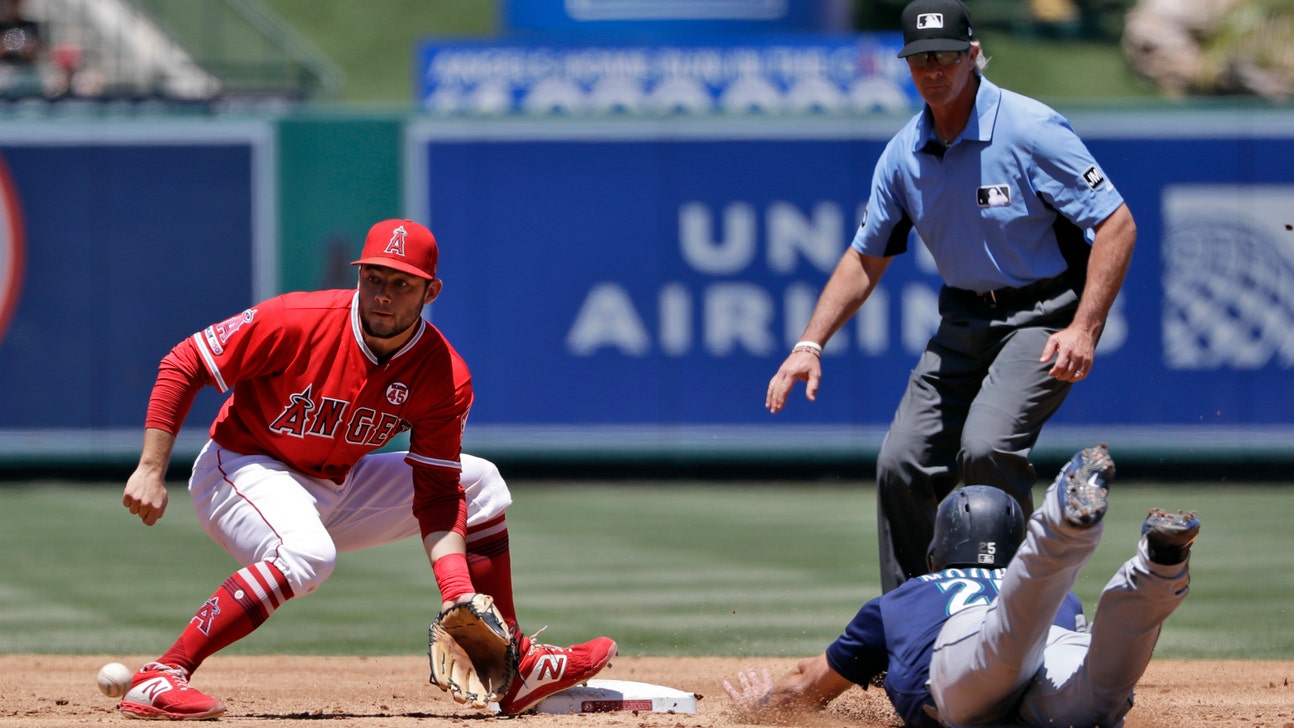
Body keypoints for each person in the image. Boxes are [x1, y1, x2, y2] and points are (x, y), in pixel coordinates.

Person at [119, 218, 616, 720]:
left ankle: (512, 667)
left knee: (479, 479)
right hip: (242, 467)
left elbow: (438, 492)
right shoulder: (297, 319)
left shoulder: (442, 373)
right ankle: (162, 674)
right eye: (373, 278)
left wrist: (458, 594)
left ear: (430, 291)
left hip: (336, 483)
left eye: (401, 283)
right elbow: (185, 362)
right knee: (309, 556)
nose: (383, 294)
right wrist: (150, 468)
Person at [765, 0, 1138, 592]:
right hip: (964, 319)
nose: (931, 68)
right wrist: (810, 343)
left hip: (1043, 315)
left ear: (971, 56)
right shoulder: (902, 154)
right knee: (900, 462)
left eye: (943, 55)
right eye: (918, 58)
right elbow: (865, 258)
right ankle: (916, 622)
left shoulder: (1030, 128)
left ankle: (1020, 614)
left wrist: (1085, 328)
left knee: (987, 450)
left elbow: (1116, 224)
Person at [723, 444, 1199, 728]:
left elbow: (807, 687)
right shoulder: (1067, 599)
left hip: (965, 659)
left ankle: (1065, 524)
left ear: (940, 547)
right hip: (1054, 651)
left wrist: (760, 710)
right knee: (1100, 692)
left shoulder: (901, 600)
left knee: (1008, 639)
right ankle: (1160, 564)